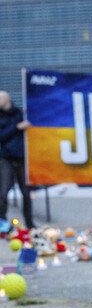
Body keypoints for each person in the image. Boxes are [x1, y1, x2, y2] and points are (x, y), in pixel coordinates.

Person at [0, 91, 34, 228]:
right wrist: (16, 128)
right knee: (3, 192)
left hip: (22, 159)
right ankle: (2, 222)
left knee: (26, 193)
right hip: (6, 159)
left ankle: (30, 224)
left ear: (6, 100)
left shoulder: (21, 114)